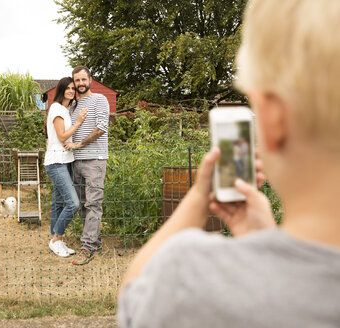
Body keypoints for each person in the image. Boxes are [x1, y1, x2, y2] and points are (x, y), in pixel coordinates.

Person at [118, 0, 340, 327]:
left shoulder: (189, 277)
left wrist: (197, 199)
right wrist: (268, 240)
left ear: (273, 118)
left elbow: (131, 299)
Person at [64, 66, 109, 265]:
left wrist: (80, 144)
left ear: (90, 79)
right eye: (77, 80)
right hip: (76, 161)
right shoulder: (71, 106)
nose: (80, 83)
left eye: (83, 79)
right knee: (82, 204)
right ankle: (93, 242)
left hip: (95, 160)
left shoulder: (100, 100)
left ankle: (87, 247)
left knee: (93, 204)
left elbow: (101, 127)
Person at [44, 77, 88, 258]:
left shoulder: (65, 109)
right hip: (56, 162)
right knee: (73, 203)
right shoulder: (56, 108)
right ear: (61, 90)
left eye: (73, 88)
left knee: (59, 202)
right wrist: (78, 122)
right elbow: (62, 136)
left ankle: (57, 241)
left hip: (66, 160)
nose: (71, 91)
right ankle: (56, 239)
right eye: (67, 88)